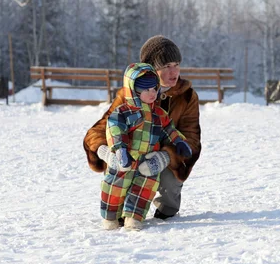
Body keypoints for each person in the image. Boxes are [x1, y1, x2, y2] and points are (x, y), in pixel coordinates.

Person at [84, 35, 201, 223]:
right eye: (166, 66)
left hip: (163, 155)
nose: (174, 72)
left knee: (170, 181)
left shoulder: (187, 96)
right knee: (120, 166)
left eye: (176, 64)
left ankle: (167, 209)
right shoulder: (129, 94)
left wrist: (165, 157)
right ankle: (120, 211)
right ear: (151, 69)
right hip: (132, 154)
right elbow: (100, 129)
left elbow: (192, 138)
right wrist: (106, 152)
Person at [99, 62, 192, 231]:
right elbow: (114, 130)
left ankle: (134, 217)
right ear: (134, 91)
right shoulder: (122, 112)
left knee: (144, 189)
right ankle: (111, 217)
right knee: (115, 186)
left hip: (148, 160)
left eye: (154, 89)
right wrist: (120, 149)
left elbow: (168, 129)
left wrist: (178, 141)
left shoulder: (158, 114)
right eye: (146, 90)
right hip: (126, 158)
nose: (152, 93)